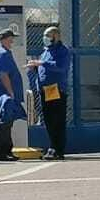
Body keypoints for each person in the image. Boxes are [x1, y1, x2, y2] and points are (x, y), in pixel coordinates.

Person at [30, 25, 72, 161]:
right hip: (45, 89)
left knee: (56, 119)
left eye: (48, 36)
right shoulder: (46, 51)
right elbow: (43, 66)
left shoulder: (62, 51)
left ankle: (57, 149)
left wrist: (42, 63)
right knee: (48, 119)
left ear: (55, 37)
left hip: (56, 89)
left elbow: (60, 67)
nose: (45, 39)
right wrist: (35, 67)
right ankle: (53, 146)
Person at [0, 28, 25, 162]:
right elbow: (4, 75)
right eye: (11, 38)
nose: (13, 41)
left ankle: (6, 151)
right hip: (5, 96)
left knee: (7, 123)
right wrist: (11, 92)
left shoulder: (2, 52)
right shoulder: (3, 54)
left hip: (3, 95)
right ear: (4, 39)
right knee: (4, 123)